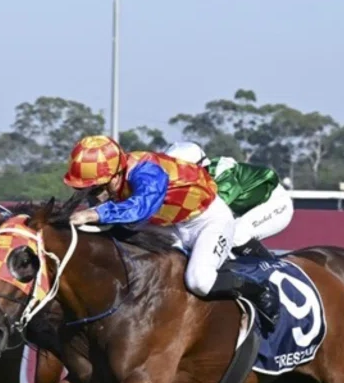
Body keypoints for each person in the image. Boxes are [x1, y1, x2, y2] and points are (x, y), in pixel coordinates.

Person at [64, 135, 280, 329]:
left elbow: (142, 206)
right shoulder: (116, 174)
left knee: (199, 281)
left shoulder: (147, 170)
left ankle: (257, 290)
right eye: (88, 191)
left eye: (99, 189)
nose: (96, 198)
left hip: (207, 221)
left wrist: (93, 214)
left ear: (116, 175)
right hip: (168, 224)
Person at [164, 141, 294, 254]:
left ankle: (271, 271)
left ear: (198, 168)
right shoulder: (195, 179)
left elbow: (209, 213)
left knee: (235, 236)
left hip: (275, 204)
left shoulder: (221, 177)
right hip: (243, 210)